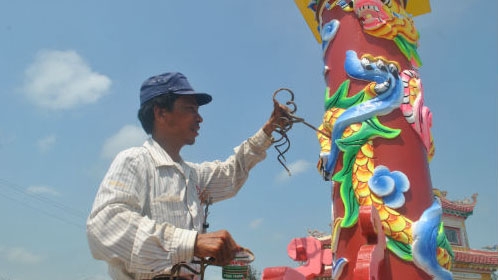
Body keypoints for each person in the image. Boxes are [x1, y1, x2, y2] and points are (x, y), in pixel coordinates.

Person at [86, 72, 289, 280]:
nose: (199, 118)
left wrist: (269, 129)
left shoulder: (193, 176)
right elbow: (104, 228)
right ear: (161, 113)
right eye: (190, 109)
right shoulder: (135, 161)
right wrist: (191, 243)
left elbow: (231, 173)